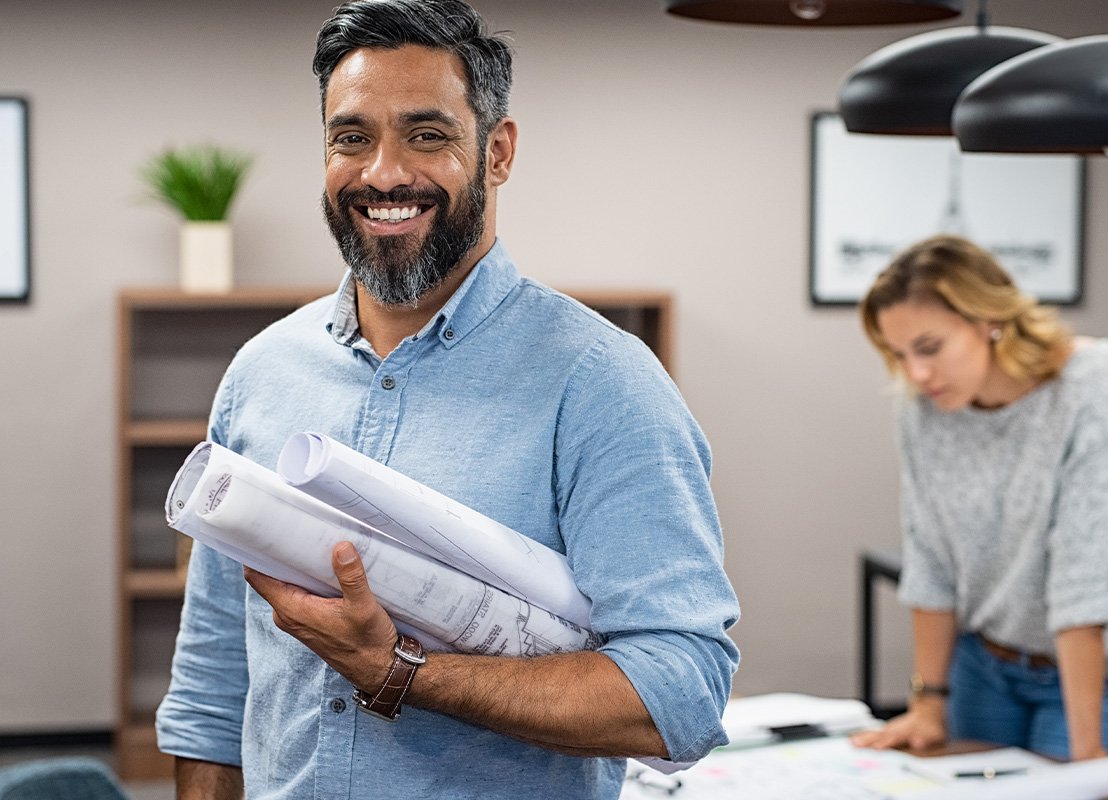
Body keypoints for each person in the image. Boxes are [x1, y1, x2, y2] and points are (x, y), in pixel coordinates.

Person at [154, 2, 740, 798]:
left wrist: (403, 672)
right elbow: (215, 685)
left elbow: (681, 692)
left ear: (496, 153)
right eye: (351, 137)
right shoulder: (263, 370)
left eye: (426, 135)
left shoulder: (602, 383)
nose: (384, 173)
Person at [850, 235, 1108, 796]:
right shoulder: (925, 410)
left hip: (1092, 676)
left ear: (989, 318)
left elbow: (1081, 579)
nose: (915, 373)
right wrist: (927, 704)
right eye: (898, 354)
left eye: (929, 346)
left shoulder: (1096, 384)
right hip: (983, 665)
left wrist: (1091, 759)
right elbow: (931, 560)